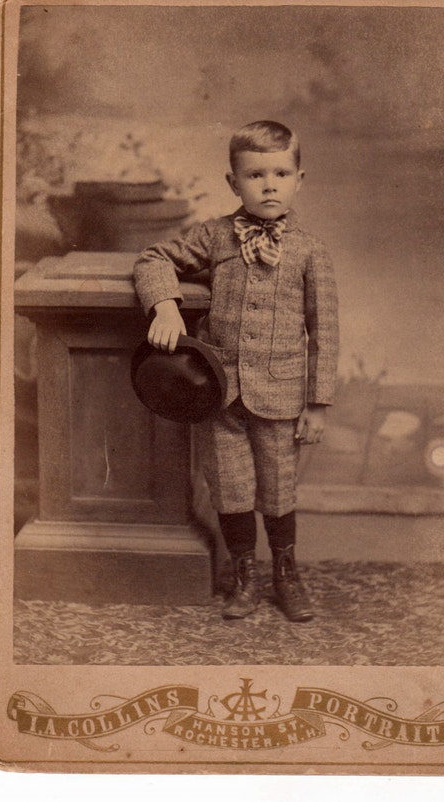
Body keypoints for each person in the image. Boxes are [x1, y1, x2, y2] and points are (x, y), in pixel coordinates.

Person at [134, 120, 339, 622]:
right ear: (233, 183)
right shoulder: (214, 236)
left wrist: (317, 403)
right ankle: (244, 577)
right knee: (230, 486)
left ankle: (286, 575)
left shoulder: (310, 251)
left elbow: (325, 331)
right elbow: (153, 258)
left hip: (281, 396)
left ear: (298, 179)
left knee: (277, 487)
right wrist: (164, 305)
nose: (268, 185)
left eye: (280, 173)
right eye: (254, 175)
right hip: (218, 395)